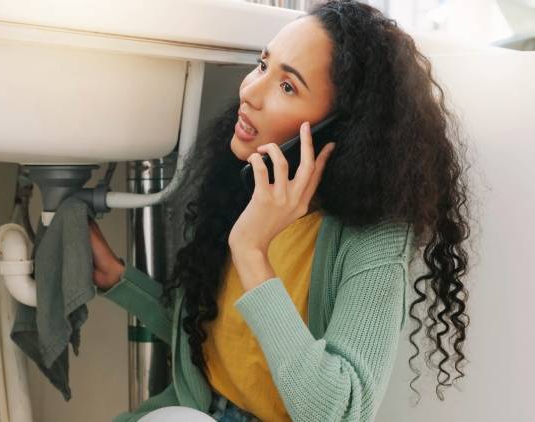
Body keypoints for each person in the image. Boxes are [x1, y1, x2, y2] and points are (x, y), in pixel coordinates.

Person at [89, 1, 473, 421]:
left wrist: (252, 251)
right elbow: (220, 337)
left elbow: (339, 412)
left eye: (287, 86)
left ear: (343, 128)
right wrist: (121, 282)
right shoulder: (247, 179)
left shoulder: (374, 237)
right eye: (262, 65)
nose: (250, 91)